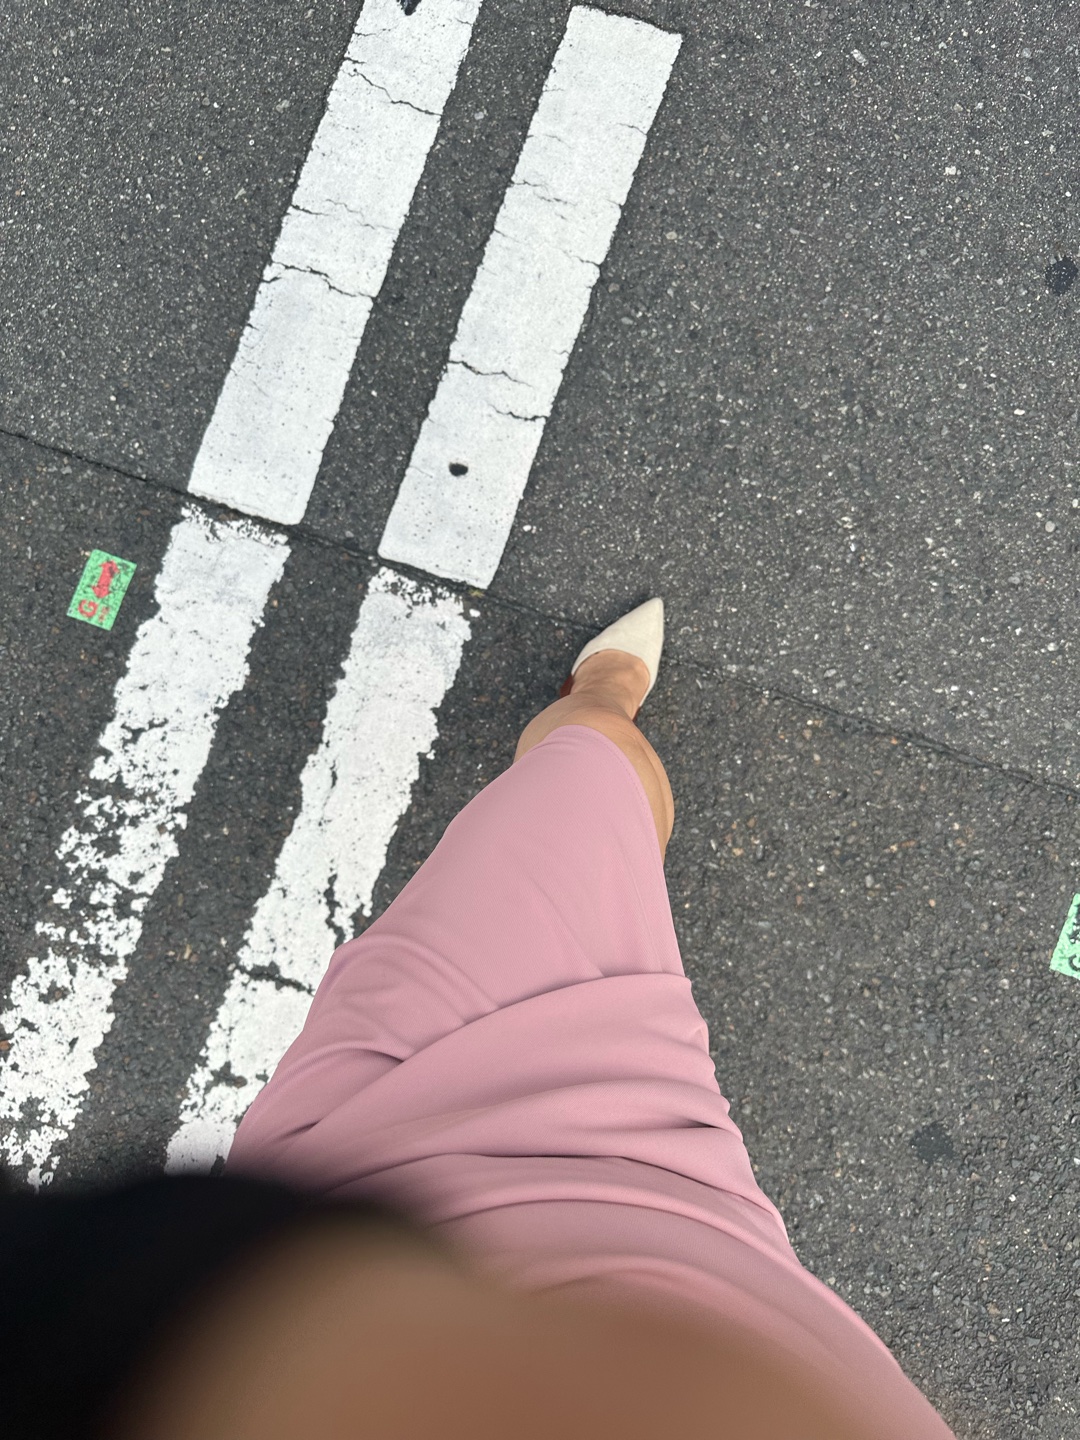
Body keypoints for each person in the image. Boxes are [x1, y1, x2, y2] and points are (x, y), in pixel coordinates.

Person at [0, 599, 957, 1440]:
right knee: (592, 783)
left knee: (582, 800)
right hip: (628, 1217)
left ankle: (605, 748)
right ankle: (605, 715)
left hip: (393, 1174)